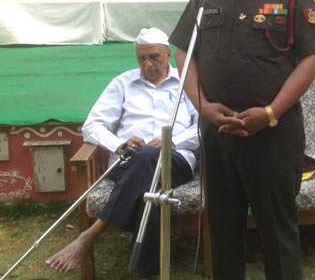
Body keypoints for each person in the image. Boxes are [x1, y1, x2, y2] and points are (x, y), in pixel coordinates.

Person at [170, 0, 315, 279]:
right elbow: (183, 52)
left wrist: (271, 113)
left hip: (273, 136)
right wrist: (202, 105)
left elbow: (312, 59)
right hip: (218, 135)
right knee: (223, 231)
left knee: (278, 233)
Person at [45, 28, 199, 280]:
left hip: (176, 162)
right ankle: (150, 275)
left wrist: (172, 142)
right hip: (129, 161)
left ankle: (90, 235)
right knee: (148, 184)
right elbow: (92, 126)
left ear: (168, 53)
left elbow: (203, 129)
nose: (148, 64)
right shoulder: (123, 83)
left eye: (154, 57)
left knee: (148, 160)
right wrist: (119, 144)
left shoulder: (186, 83)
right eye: (141, 58)